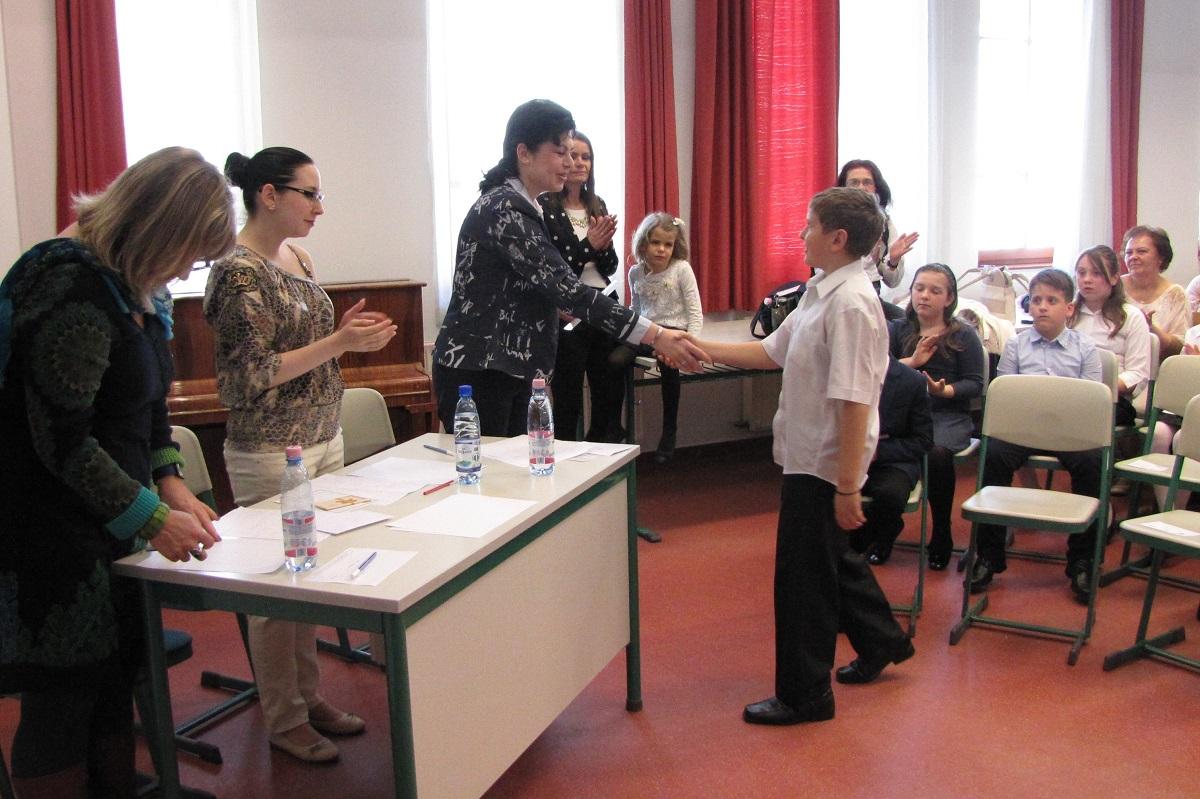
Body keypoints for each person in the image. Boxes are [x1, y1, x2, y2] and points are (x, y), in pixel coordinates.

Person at [0, 147, 232, 797]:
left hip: (111, 523)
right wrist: (152, 517)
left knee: (112, 684)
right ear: (157, 228)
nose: (185, 271)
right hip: (49, 536)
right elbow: (62, 442)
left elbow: (149, 406)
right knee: (62, 701)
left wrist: (171, 479)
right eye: (189, 253)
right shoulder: (67, 285)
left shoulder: (137, 286)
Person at [681, 187, 914, 726]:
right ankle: (881, 641)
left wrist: (849, 485)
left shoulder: (851, 303)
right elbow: (771, 352)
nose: (802, 233)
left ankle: (806, 695)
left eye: (809, 225)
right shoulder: (821, 289)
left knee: (803, 579)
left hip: (827, 460)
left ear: (838, 238)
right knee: (827, 558)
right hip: (810, 452)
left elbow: (855, 399)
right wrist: (695, 346)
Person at [205, 147, 397, 764]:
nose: (319, 206)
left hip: (321, 437)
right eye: (308, 194)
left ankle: (308, 698)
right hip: (269, 449)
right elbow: (248, 377)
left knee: (309, 580)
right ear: (269, 195)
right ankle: (284, 718)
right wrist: (338, 341)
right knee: (276, 592)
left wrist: (347, 339)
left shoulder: (298, 257)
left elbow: (311, 348)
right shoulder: (238, 272)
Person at [431, 99, 702, 435]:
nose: (570, 163)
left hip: (507, 366)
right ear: (524, 153)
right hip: (481, 369)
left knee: (516, 463)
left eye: (573, 154)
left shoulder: (524, 205)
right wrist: (657, 335)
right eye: (560, 152)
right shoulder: (505, 209)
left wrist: (550, 304)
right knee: (490, 467)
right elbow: (569, 290)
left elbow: (523, 286)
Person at [969, 269, 1103, 602]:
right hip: (1023, 430)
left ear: (1069, 308)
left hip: (1070, 433)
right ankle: (988, 555)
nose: (1042, 306)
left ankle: (1082, 560)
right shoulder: (1016, 344)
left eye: (1052, 300)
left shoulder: (1086, 348)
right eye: (1037, 300)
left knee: (1092, 462)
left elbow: (1092, 403)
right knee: (993, 454)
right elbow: (1005, 395)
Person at [888, 264, 985, 570]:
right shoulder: (896, 330)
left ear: (949, 298)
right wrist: (912, 362)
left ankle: (942, 530)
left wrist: (945, 391)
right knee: (881, 448)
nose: (924, 296)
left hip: (946, 415)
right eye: (919, 288)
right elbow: (879, 371)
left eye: (934, 290)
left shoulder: (963, 335)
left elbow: (975, 384)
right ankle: (884, 527)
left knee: (937, 453)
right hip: (903, 416)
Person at [539, 131, 625, 442]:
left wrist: (603, 247)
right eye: (572, 155)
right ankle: (564, 454)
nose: (579, 162)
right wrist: (589, 244)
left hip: (601, 302)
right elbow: (556, 268)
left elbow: (610, 266)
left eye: (586, 157)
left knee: (607, 391)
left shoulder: (596, 204)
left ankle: (600, 449)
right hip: (568, 309)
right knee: (569, 394)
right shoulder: (545, 205)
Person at [610, 213, 703, 462]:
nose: (662, 249)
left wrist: (691, 343)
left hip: (674, 332)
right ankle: (615, 424)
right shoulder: (635, 272)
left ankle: (669, 433)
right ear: (643, 243)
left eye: (668, 244)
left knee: (669, 368)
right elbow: (636, 309)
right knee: (615, 360)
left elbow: (695, 312)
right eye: (655, 243)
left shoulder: (681, 269)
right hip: (646, 331)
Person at [848, 357, 934, 565]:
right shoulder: (843, 374)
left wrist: (877, 451)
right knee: (816, 489)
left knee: (890, 496)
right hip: (846, 456)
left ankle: (866, 541)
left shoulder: (912, 381)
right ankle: (879, 531)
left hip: (891, 461)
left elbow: (923, 440)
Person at [1068, 245, 1152, 427]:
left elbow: (1138, 373)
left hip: (1111, 399)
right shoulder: (1067, 313)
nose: (1086, 280)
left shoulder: (1131, 316)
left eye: (1096, 273)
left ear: (1114, 278)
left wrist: (1102, 385)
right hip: (1067, 393)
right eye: (1081, 273)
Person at [837, 159, 919, 320]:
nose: (861, 188)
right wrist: (861, 263)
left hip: (871, 297)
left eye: (867, 182)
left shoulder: (884, 223)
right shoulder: (832, 220)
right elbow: (823, 280)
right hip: (840, 298)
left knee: (908, 324)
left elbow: (892, 282)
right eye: (854, 183)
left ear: (877, 188)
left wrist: (893, 261)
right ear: (843, 188)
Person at [1121, 225, 1187, 360]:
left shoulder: (1176, 294)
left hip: (1160, 366)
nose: (1133, 257)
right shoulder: (1114, 288)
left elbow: (1180, 348)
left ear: (1161, 258)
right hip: (1119, 361)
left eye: (1141, 251)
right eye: (1129, 253)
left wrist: (1151, 329)